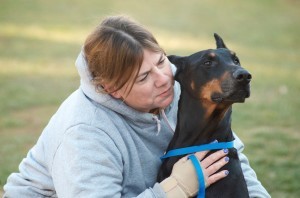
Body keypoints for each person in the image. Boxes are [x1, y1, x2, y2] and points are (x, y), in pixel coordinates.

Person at [3, 15, 270, 198]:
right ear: (112, 89)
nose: (164, 79)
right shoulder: (84, 133)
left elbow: (230, 157)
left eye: (161, 61)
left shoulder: (179, 88)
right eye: (143, 77)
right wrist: (174, 189)